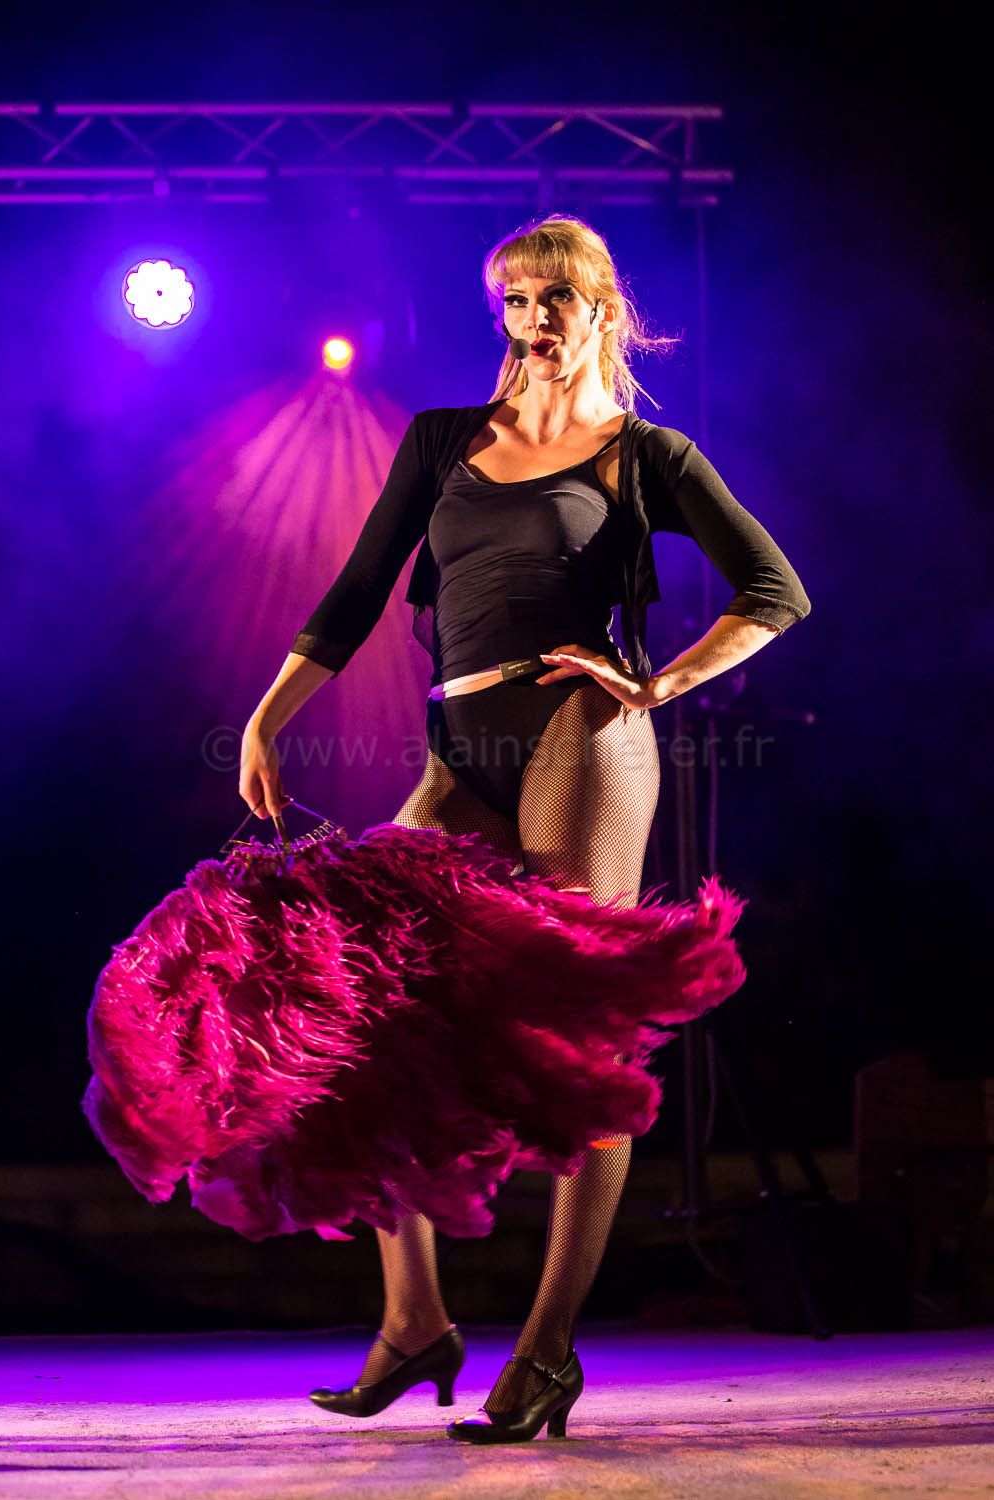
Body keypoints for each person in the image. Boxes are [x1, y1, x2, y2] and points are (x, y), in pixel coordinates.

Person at [238, 214, 811, 1442]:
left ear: (601, 311)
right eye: (514, 298)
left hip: (578, 734)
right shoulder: (443, 439)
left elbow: (776, 590)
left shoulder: (644, 455)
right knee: (370, 1003)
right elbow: (358, 589)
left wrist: (654, 686)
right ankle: (414, 1319)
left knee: (584, 1038)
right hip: (457, 741)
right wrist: (267, 718)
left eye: (554, 297)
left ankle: (547, 1349)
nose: (532, 317)